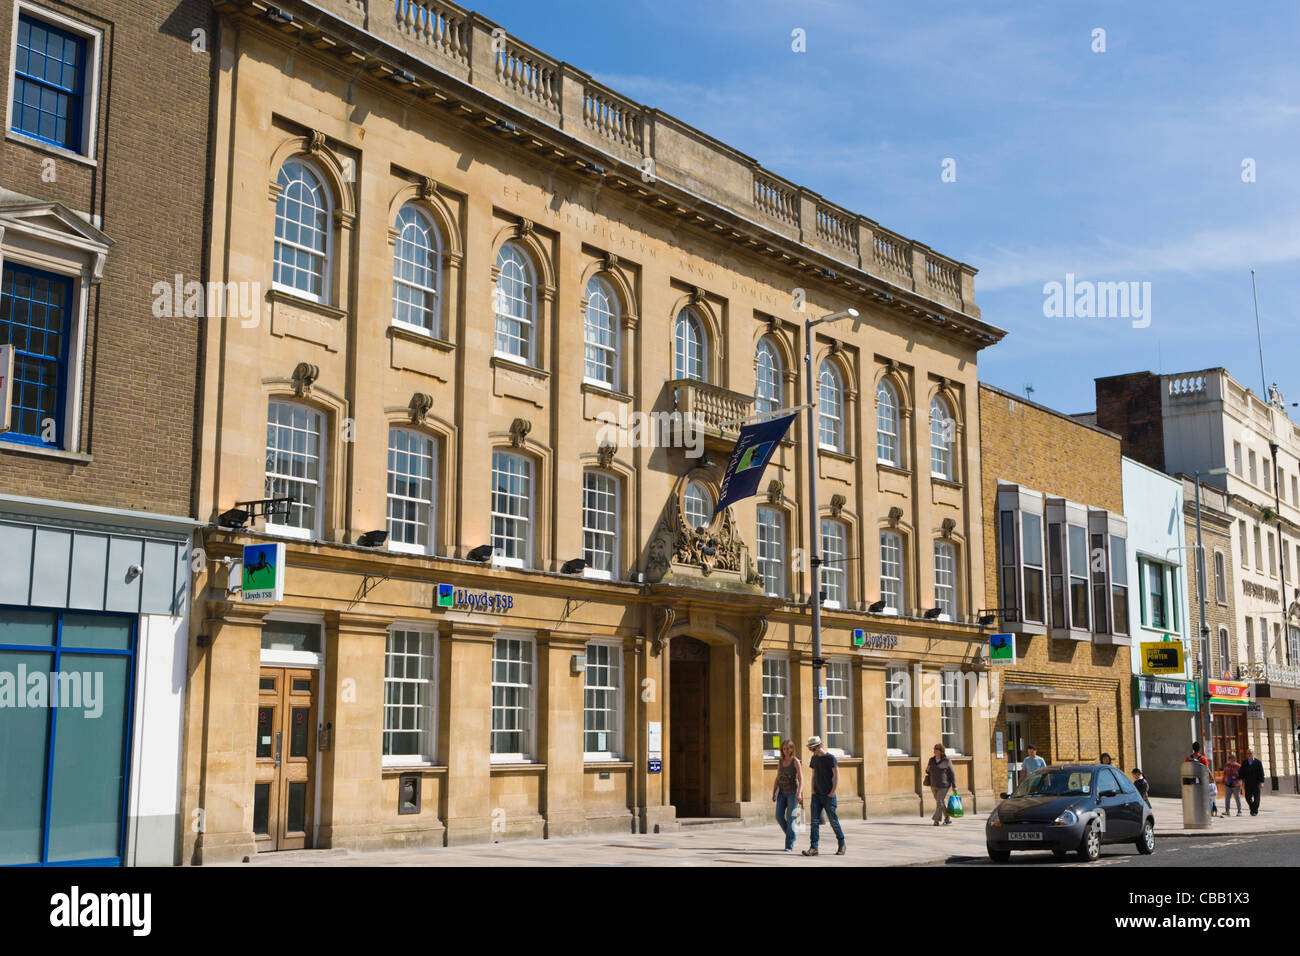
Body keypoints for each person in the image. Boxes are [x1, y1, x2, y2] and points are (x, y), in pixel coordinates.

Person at [802, 736, 846, 856]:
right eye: (810, 749)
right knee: (814, 822)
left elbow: (837, 775)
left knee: (833, 821)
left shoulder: (830, 758)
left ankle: (842, 844)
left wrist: (832, 792)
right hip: (816, 795)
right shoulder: (814, 758)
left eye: (813, 748)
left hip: (828, 795)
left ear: (820, 746)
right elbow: (813, 775)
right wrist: (812, 790)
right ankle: (814, 848)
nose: (812, 751)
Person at [771, 738, 803, 851]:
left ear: (792, 749)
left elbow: (801, 778)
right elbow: (777, 777)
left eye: (788, 748)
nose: (786, 750)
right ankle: (792, 836)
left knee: (791, 818)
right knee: (779, 816)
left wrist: (799, 793)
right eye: (784, 748)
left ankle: (789, 845)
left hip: (793, 794)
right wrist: (774, 791)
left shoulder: (795, 761)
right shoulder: (781, 761)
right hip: (782, 793)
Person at [925, 743, 957, 826]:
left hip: (944, 785)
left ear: (941, 751)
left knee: (939, 802)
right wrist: (927, 770)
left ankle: (936, 820)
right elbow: (928, 771)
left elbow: (952, 773)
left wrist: (954, 786)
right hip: (933, 784)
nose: (934, 750)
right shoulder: (931, 760)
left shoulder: (947, 761)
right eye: (934, 748)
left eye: (936, 749)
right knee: (940, 802)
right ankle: (947, 818)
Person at [1186, 742, 1217, 817]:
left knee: (1194, 797)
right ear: (1199, 749)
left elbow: (1186, 768)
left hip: (1192, 781)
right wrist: (1212, 778)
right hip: (1202, 781)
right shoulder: (1203, 758)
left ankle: (1195, 812)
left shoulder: (1188, 758)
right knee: (1206, 796)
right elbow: (1207, 769)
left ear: (1193, 749)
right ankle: (1209, 811)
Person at [1240, 748, 1266, 816]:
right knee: (1247, 797)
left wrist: (1262, 782)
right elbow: (1241, 772)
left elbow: (1261, 773)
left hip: (1256, 783)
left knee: (1257, 798)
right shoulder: (1244, 762)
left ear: (1253, 754)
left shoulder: (1258, 762)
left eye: (1250, 753)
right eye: (1248, 753)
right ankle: (1252, 808)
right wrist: (1241, 779)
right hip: (1248, 783)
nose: (1249, 755)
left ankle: (1254, 811)